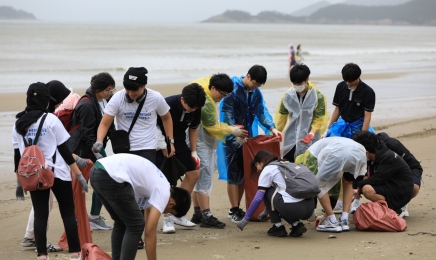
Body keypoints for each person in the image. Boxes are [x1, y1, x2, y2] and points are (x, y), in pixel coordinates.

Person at [13, 82, 87, 260]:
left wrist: (19, 181)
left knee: (40, 214)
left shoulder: (19, 123)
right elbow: (65, 152)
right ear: (46, 102)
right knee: (68, 212)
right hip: (58, 173)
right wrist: (79, 175)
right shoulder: (52, 120)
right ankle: (75, 252)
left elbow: (18, 157)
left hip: (34, 174)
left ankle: (42, 256)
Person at [89, 153, 191, 260]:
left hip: (98, 171)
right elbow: (150, 232)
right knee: (136, 225)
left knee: (121, 222)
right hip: (111, 175)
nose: (165, 213)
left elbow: (148, 220)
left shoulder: (158, 183)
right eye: (170, 212)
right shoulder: (163, 192)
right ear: (172, 204)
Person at [219, 65, 282, 223]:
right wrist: (235, 133)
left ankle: (237, 207)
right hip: (232, 137)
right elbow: (226, 113)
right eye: (254, 83)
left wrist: (272, 128)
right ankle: (234, 209)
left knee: (245, 173)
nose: (256, 87)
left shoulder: (256, 93)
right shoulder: (232, 89)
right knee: (234, 174)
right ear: (247, 76)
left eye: (259, 85)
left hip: (248, 139)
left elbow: (261, 112)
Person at [189, 74, 247, 228]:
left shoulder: (205, 87)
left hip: (200, 140)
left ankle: (198, 213)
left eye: (225, 96)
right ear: (213, 88)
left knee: (199, 175)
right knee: (205, 175)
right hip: (200, 140)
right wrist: (232, 130)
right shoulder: (206, 100)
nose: (221, 98)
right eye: (221, 95)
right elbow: (211, 126)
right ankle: (206, 215)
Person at [92, 67, 174, 164]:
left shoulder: (156, 98)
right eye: (128, 89)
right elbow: (104, 124)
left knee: (143, 178)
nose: (130, 93)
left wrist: (170, 142)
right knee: (126, 179)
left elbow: (167, 118)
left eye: (134, 90)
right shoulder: (117, 98)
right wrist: (99, 141)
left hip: (147, 147)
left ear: (144, 86)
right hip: (124, 147)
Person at [324, 63, 376, 214]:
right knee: (335, 158)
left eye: (351, 81)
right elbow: (337, 109)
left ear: (358, 77)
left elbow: (367, 116)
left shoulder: (368, 92)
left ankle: (356, 198)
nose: (348, 84)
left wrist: (363, 137)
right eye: (346, 81)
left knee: (358, 163)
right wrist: (329, 127)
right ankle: (339, 199)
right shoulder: (341, 87)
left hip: (358, 126)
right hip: (341, 125)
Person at [155, 83, 206, 233]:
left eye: (196, 107)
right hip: (159, 142)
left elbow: (194, 129)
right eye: (191, 106)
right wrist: (163, 144)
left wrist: (194, 152)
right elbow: (154, 126)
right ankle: (168, 218)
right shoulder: (167, 104)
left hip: (180, 141)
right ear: (182, 99)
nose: (193, 110)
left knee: (193, 173)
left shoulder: (196, 107)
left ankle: (178, 213)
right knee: (167, 180)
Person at [68, 72, 116, 230]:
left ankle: (91, 217)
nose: (111, 92)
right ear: (99, 89)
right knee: (81, 185)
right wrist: (97, 155)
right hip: (84, 150)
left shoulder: (100, 100)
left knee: (101, 179)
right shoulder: (88, 104)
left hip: (93, 148)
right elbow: (87, 134)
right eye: (108, 89)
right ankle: (80, 219)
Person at [295, 137, 367, 233]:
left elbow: (318, 186)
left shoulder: (308, 157)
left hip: (336, 153)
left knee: (319, 186)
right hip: (358, 151)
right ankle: (344, 220)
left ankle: (332, 221)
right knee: (348, 182)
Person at [236, 150, 315, 237]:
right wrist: (266, 210)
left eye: (256, 165)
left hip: (293, 209)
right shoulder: (286, 163)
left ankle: (278, 227)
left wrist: (245, 219)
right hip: (309, 208)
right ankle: (296, 224)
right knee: (283, 195)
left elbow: (258, 198)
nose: (257, 170)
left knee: (266, 190)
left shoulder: (268, 169)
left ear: (260, 163)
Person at [275, 64, 329, 162]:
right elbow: (281, 118)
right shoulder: (288, 96)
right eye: (294, 84)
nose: (297, 86)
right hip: (290, 140)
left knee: (308, 167)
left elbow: (319, 117)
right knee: (289, 168)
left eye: (299, 83)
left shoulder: (317, 96)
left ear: (307, 79)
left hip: (309, 140)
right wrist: (275, 133)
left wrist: (312, 133)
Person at [352, 131, 415, 216]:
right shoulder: (377, 153)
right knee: (365, 183)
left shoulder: (387, 157)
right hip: (392, 184)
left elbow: (378, 179)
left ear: (366, 152)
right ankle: (388, 207)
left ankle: (395, 209)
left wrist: (358, 186)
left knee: (367, 189)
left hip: (401, 191)